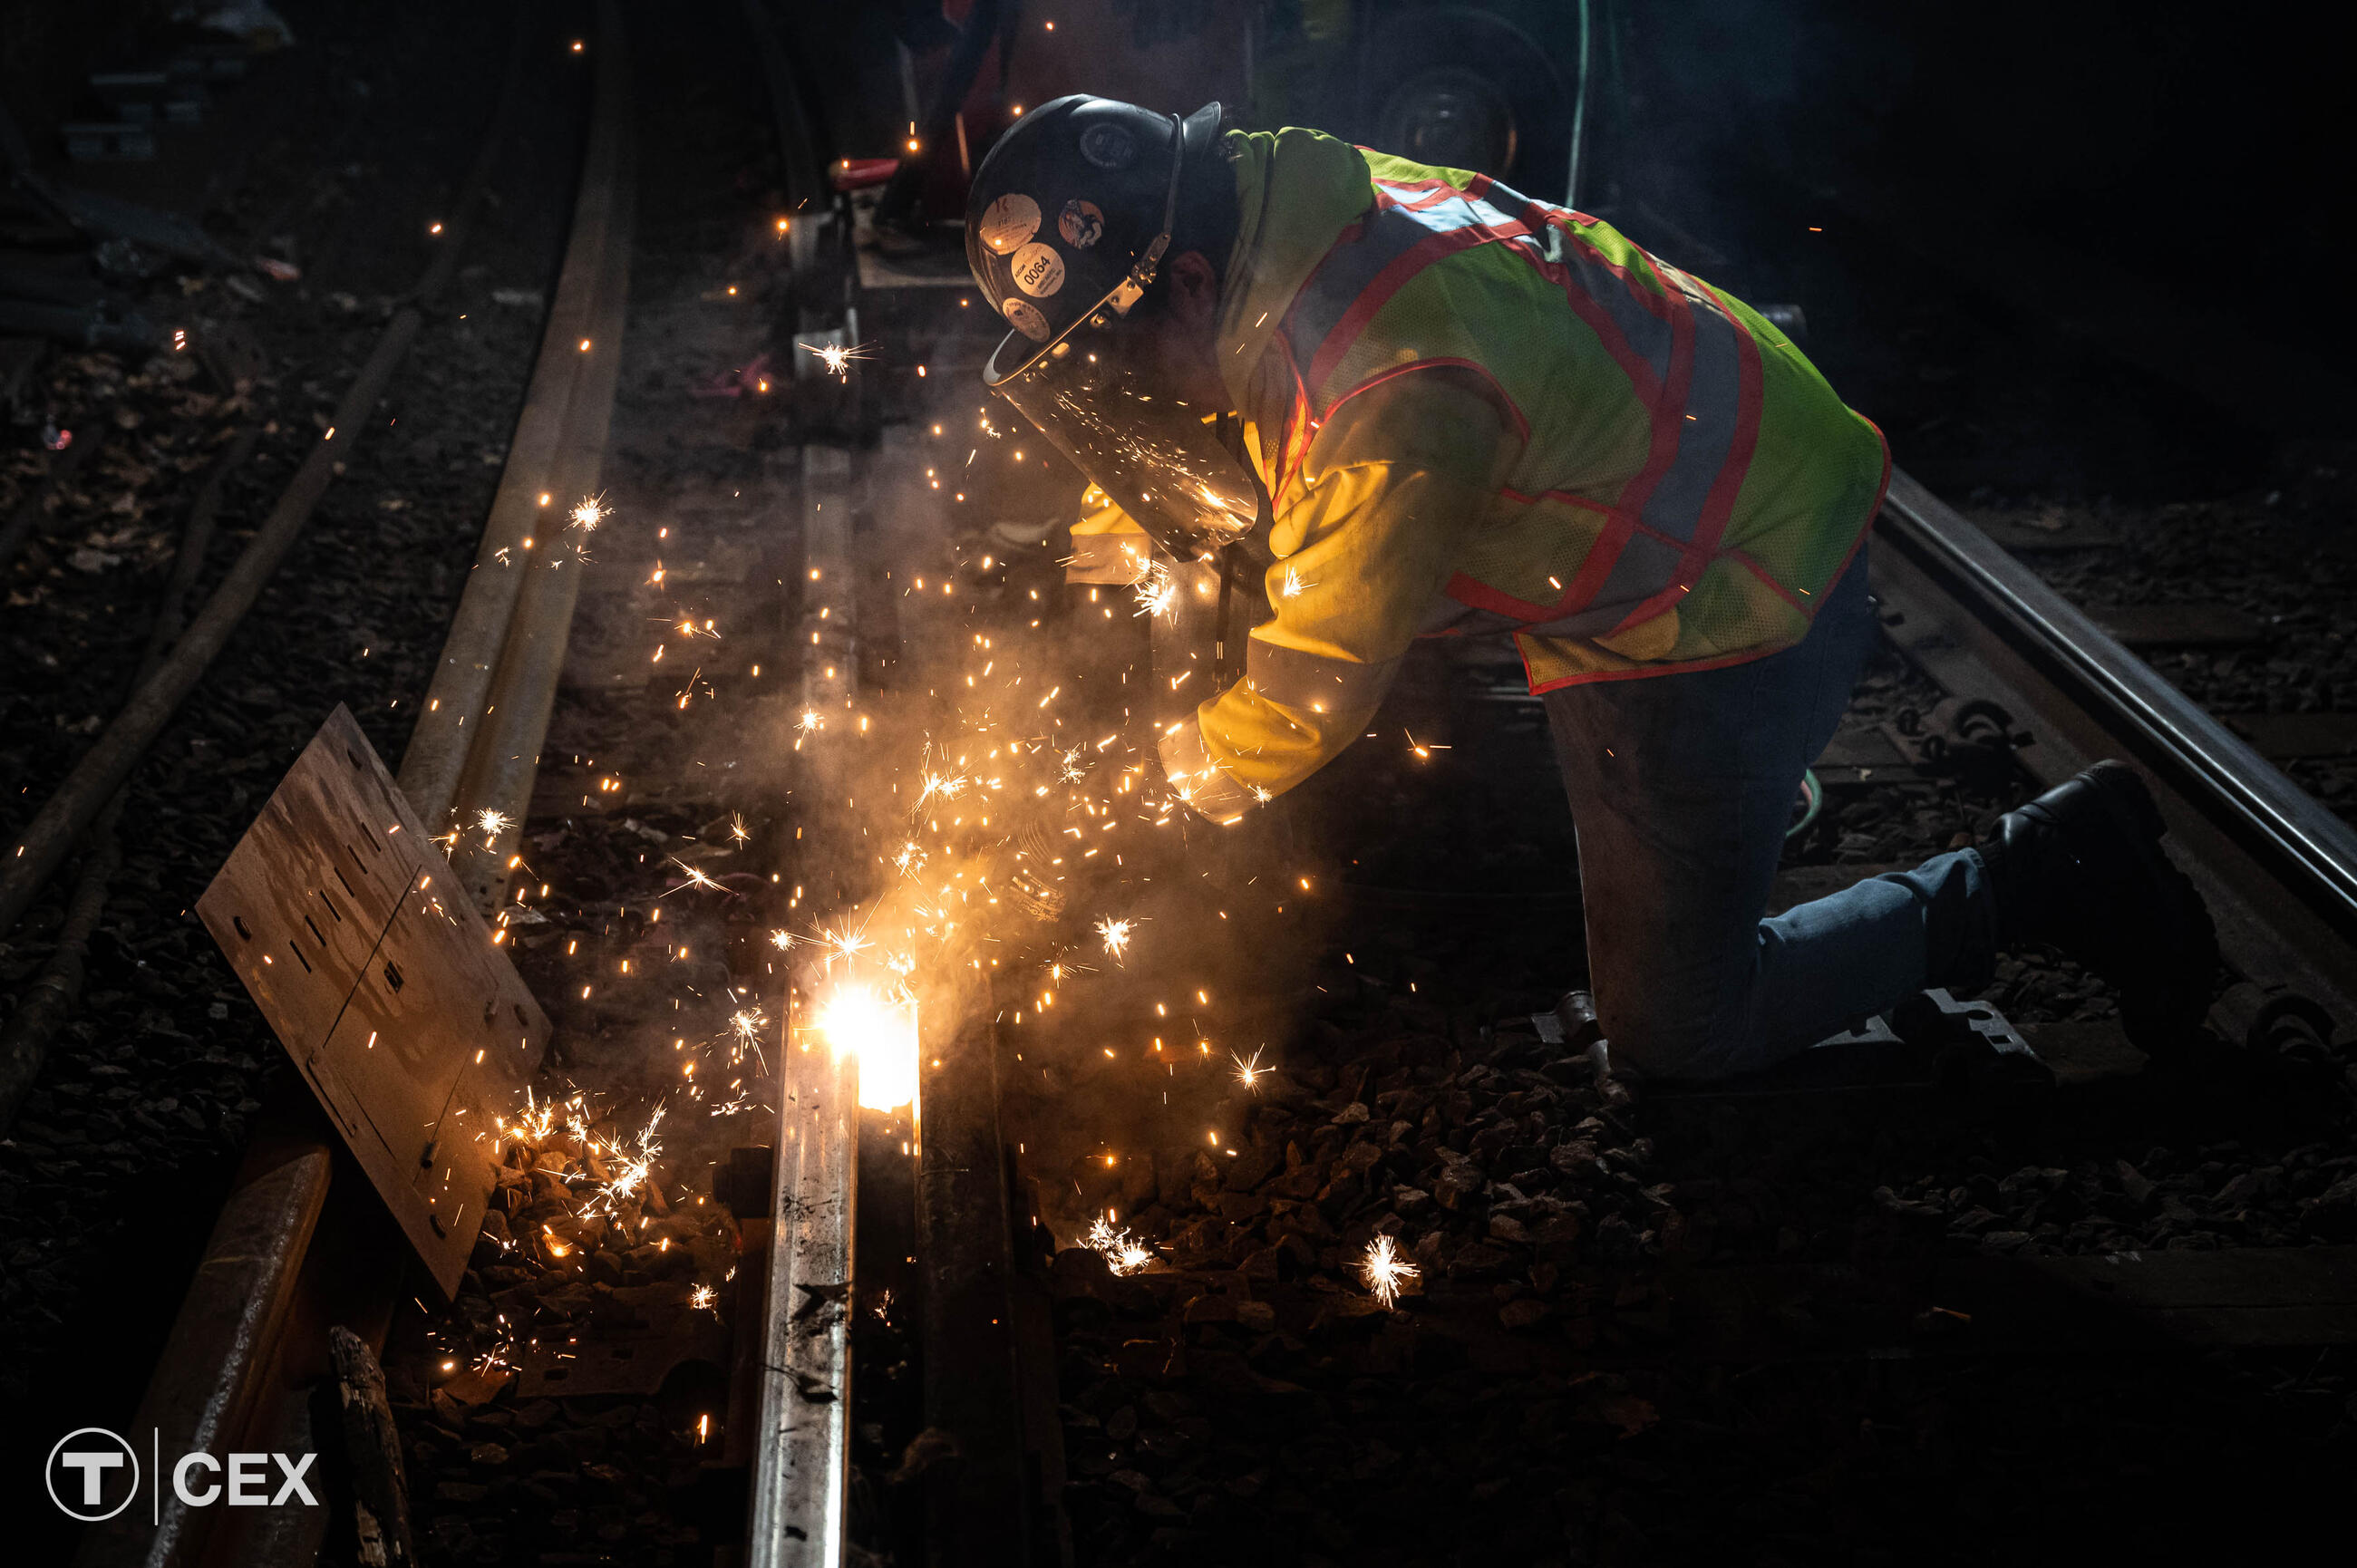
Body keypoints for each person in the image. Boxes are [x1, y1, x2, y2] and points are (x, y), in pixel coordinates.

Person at [965, 96, 2216, 1079]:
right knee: (1261, 579)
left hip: (1726, 593)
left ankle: (2045, 870)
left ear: (1185, 280)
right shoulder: (1290, 204)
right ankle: (1727, 814)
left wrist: (1150, 791)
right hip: (1700, 469)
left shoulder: (1383, 391)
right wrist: (1098, 552)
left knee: (1679, 1033)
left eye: (1116, 346)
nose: (1128, 382)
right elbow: (1232, 449)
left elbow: (1312, 689)